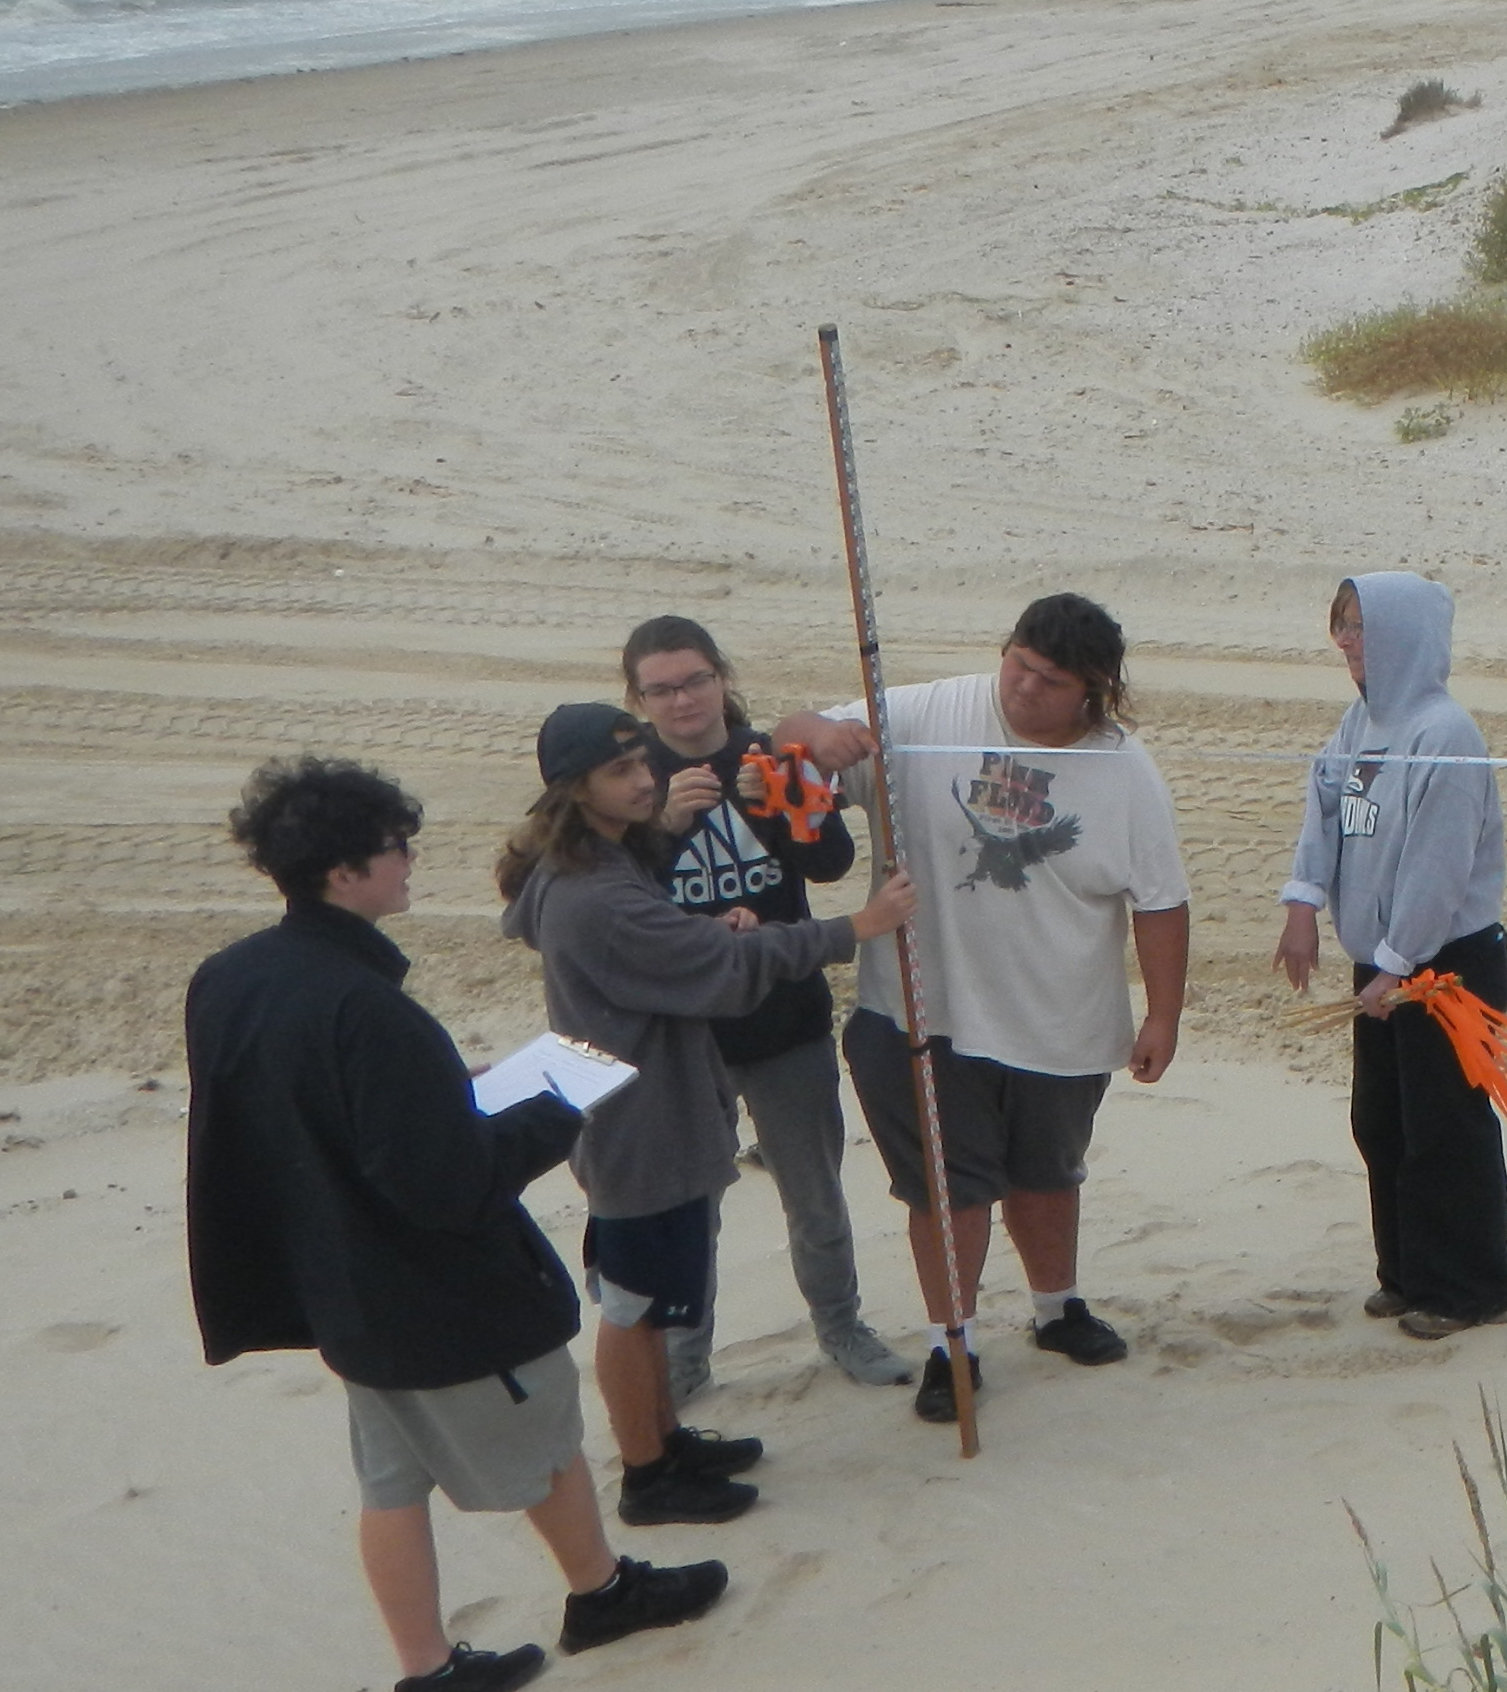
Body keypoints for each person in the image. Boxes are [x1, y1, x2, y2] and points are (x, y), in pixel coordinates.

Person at [186, 756, 733, 1692]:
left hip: (341, 1294)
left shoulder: (231, 979)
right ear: (344, 873)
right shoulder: (367, 1009)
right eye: (396, 850)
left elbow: (287, 1125)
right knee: (550, 1442)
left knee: (390, 1485)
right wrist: (555, 1104)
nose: (408, 864)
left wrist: (444, 1096)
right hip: (440, 1298)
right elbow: (445, 1187)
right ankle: (600, 1592)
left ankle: (427, 1674)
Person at [770, 596, 1190, 1425]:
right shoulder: (932, 710)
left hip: (1060, 1011)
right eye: (1018, 663)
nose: (1025, 687)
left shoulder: (1124, 769)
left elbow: (1162, 901)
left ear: (1092, 692)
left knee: (1047, 1172)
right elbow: (793, 729)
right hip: (923, 1011)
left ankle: (1056, 1306)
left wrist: (1162, 1016)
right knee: (946, 1190)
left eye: (1051, 679)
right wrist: (817, 739)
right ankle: (950, 1341)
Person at [497, 704, 914, 1516]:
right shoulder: (592, 894)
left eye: (639, 765)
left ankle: (664, 1439)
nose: (643, 778)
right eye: (621, 771)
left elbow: (681, 941)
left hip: (652, 1104)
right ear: (574, 791)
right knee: (633, 1308)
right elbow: (715, 960)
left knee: (653, 1298)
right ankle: (647, 1474)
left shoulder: (607, 862)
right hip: (637, 1122)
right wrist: (855, 928)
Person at [620, 616, 915, 1394]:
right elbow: (604, 903)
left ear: (721, 678)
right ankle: (686, 1360)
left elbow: (832, 863)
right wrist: (664, 825)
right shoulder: (628, 779)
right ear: (639, 699)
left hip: (785, 1016)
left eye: (695, 681)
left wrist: (789, 805)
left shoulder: (766, 754)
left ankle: (842, 1328)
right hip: (683, 1032)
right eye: (662, 689)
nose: (682, 701)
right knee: (691, 1208)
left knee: (814, 1194)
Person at [1273, 572, 1507, 1338]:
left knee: (1443, 1129)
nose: (1345, 643)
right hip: (1384, 965)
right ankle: (1407, 1273)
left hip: (1443, 966)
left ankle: (1467, 1289)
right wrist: (1303, 901)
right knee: (1381, 1122)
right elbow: (1326, 808)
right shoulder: (1359, 723)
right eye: (1339, 626)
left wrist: (1397, 963)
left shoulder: (1444, 733)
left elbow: (1437, 870)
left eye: (1360, 628)